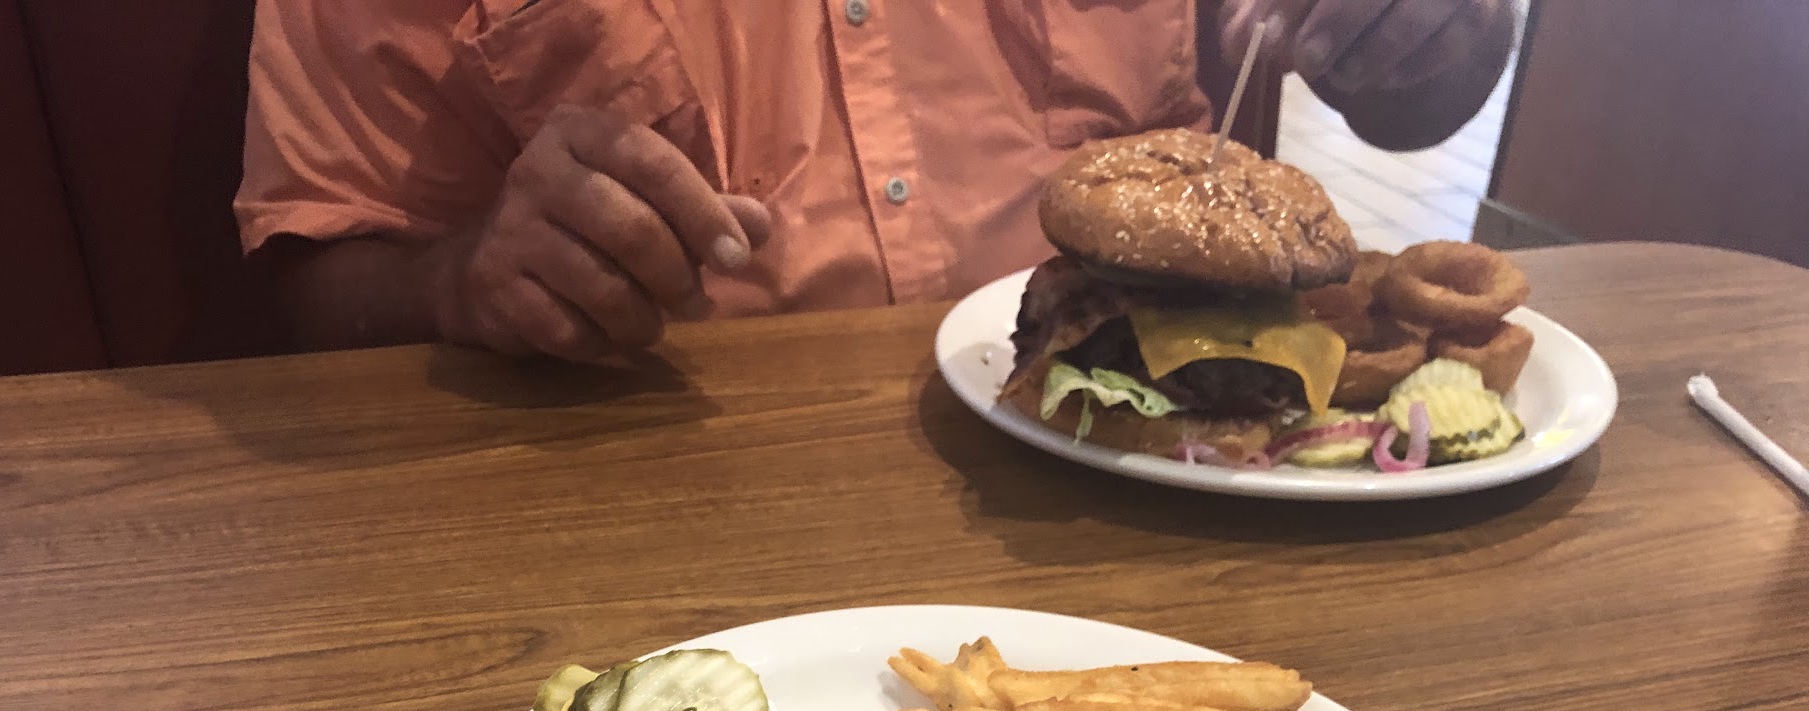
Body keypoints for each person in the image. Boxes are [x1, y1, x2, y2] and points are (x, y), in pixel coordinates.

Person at [237, 1, 1518, 362]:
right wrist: (465, 282)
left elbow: (1402, 92)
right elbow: (311, 279)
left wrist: (1430, 43)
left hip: (1169, 467)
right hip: (673, 516)